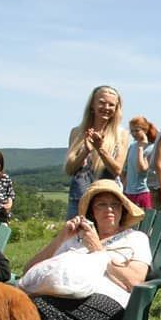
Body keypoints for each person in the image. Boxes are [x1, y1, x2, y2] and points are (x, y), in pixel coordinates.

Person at [24, 179, 150, 320]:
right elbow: (29, 270)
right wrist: (62, 237)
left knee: (43, 307)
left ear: (123, 209)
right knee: (28, 305)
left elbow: (134, 280)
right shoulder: (75, 240)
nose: (109, 209)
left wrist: (99, 250)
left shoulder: (136, 239)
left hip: (110, 301)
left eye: (115, 204)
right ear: (92, 210)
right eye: (101, 204)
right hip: (63, 296)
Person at [64, 85, 129, 220]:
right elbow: (70, 169)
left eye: (111, 105)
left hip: (108, 201)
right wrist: (86, 151)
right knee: (74, 239)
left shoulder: (121, 134)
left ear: (116, 109)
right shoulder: (76, 132)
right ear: (92, 105)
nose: (106, 107)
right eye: (102, 102)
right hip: (79, 198)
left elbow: (117, 170)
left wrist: (100, 149)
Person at [124, 116, 157, 210]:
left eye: (137, 130)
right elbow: (126, 170)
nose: (134, 134)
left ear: (145, 130)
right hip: (128, 193)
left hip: (143, 193)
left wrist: (141, 148)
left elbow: (141, 169)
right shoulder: (132, 146)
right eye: (132, 131)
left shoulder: (151, 148)